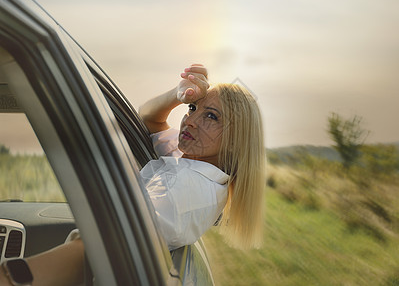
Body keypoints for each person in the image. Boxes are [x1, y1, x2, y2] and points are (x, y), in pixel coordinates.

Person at [0, 64, 265, 285]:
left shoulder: (187, 189)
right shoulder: (194, 161)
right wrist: (179, 93)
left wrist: (12, 277)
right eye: (193, 108)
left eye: (211, 116)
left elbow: (106, 245)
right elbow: (149, 118)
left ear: (234, 140)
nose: (191, 120)